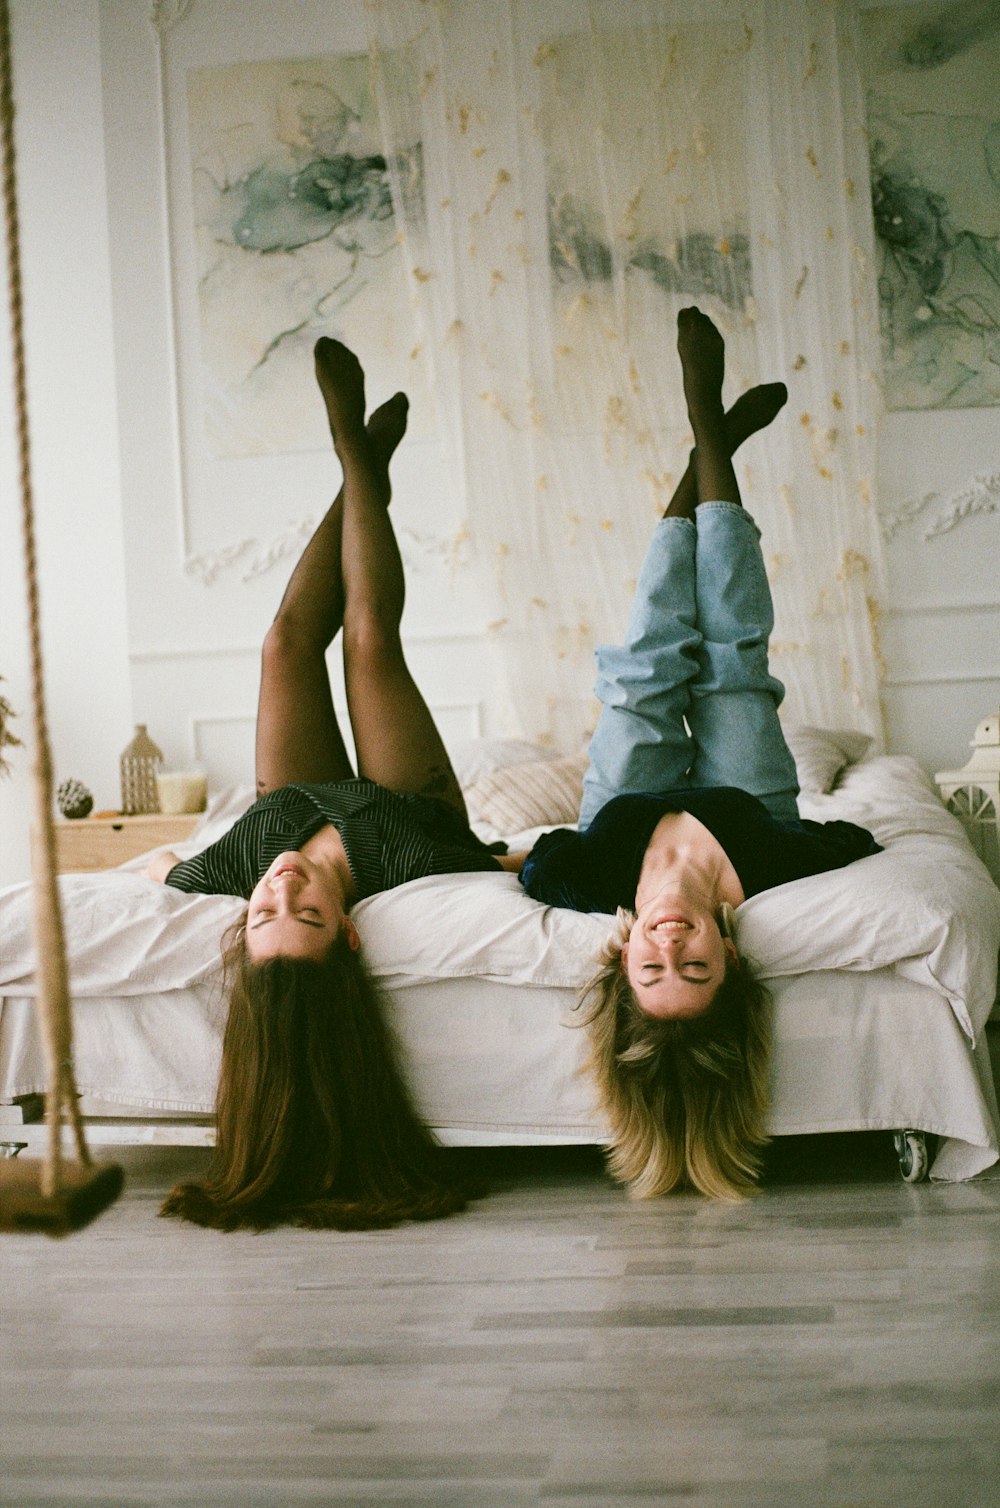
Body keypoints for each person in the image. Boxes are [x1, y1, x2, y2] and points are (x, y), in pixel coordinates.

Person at [148, 337, 519, 1232]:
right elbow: (500, 875)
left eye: (264, 915)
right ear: (350, 933)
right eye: (305, 914)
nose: (282, 889)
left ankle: (365, 468)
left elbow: (166, 872)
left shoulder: (237, 873)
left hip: (294, 796)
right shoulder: (409, 863)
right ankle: (357, 456)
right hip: (404, 806)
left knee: (282, 643)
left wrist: (142, 865)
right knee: (367, 642)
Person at [520, 306, 882, 1202]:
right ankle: (711, 427)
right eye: (696, 968)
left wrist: (512, 856)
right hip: (743, 805)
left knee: (648, 660)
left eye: (653, 968)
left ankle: (702, 442)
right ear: (729, 954)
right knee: (730, 654)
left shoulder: (587, 878)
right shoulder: (771, 866)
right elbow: (854, 843)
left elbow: (536, 859)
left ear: (622, 954)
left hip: (623, 809)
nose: (672, 946)